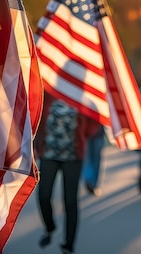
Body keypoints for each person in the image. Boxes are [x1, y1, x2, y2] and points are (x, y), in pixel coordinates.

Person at [34, 96, 101, 254]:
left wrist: (83, 133)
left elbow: (94, 122)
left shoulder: (81, 93)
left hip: (73, 156)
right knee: (43, 195)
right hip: (48, 153)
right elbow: (35, 116)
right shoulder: (48, 92)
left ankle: (68, 245)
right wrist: (34, 144)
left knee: (70, 200)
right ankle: (50, 227)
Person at [82, 125, 105, 196]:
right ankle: (88, 181)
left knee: (96, 159)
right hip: (85, 132)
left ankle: (94, 183)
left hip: (98, 133)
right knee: (88, 159)